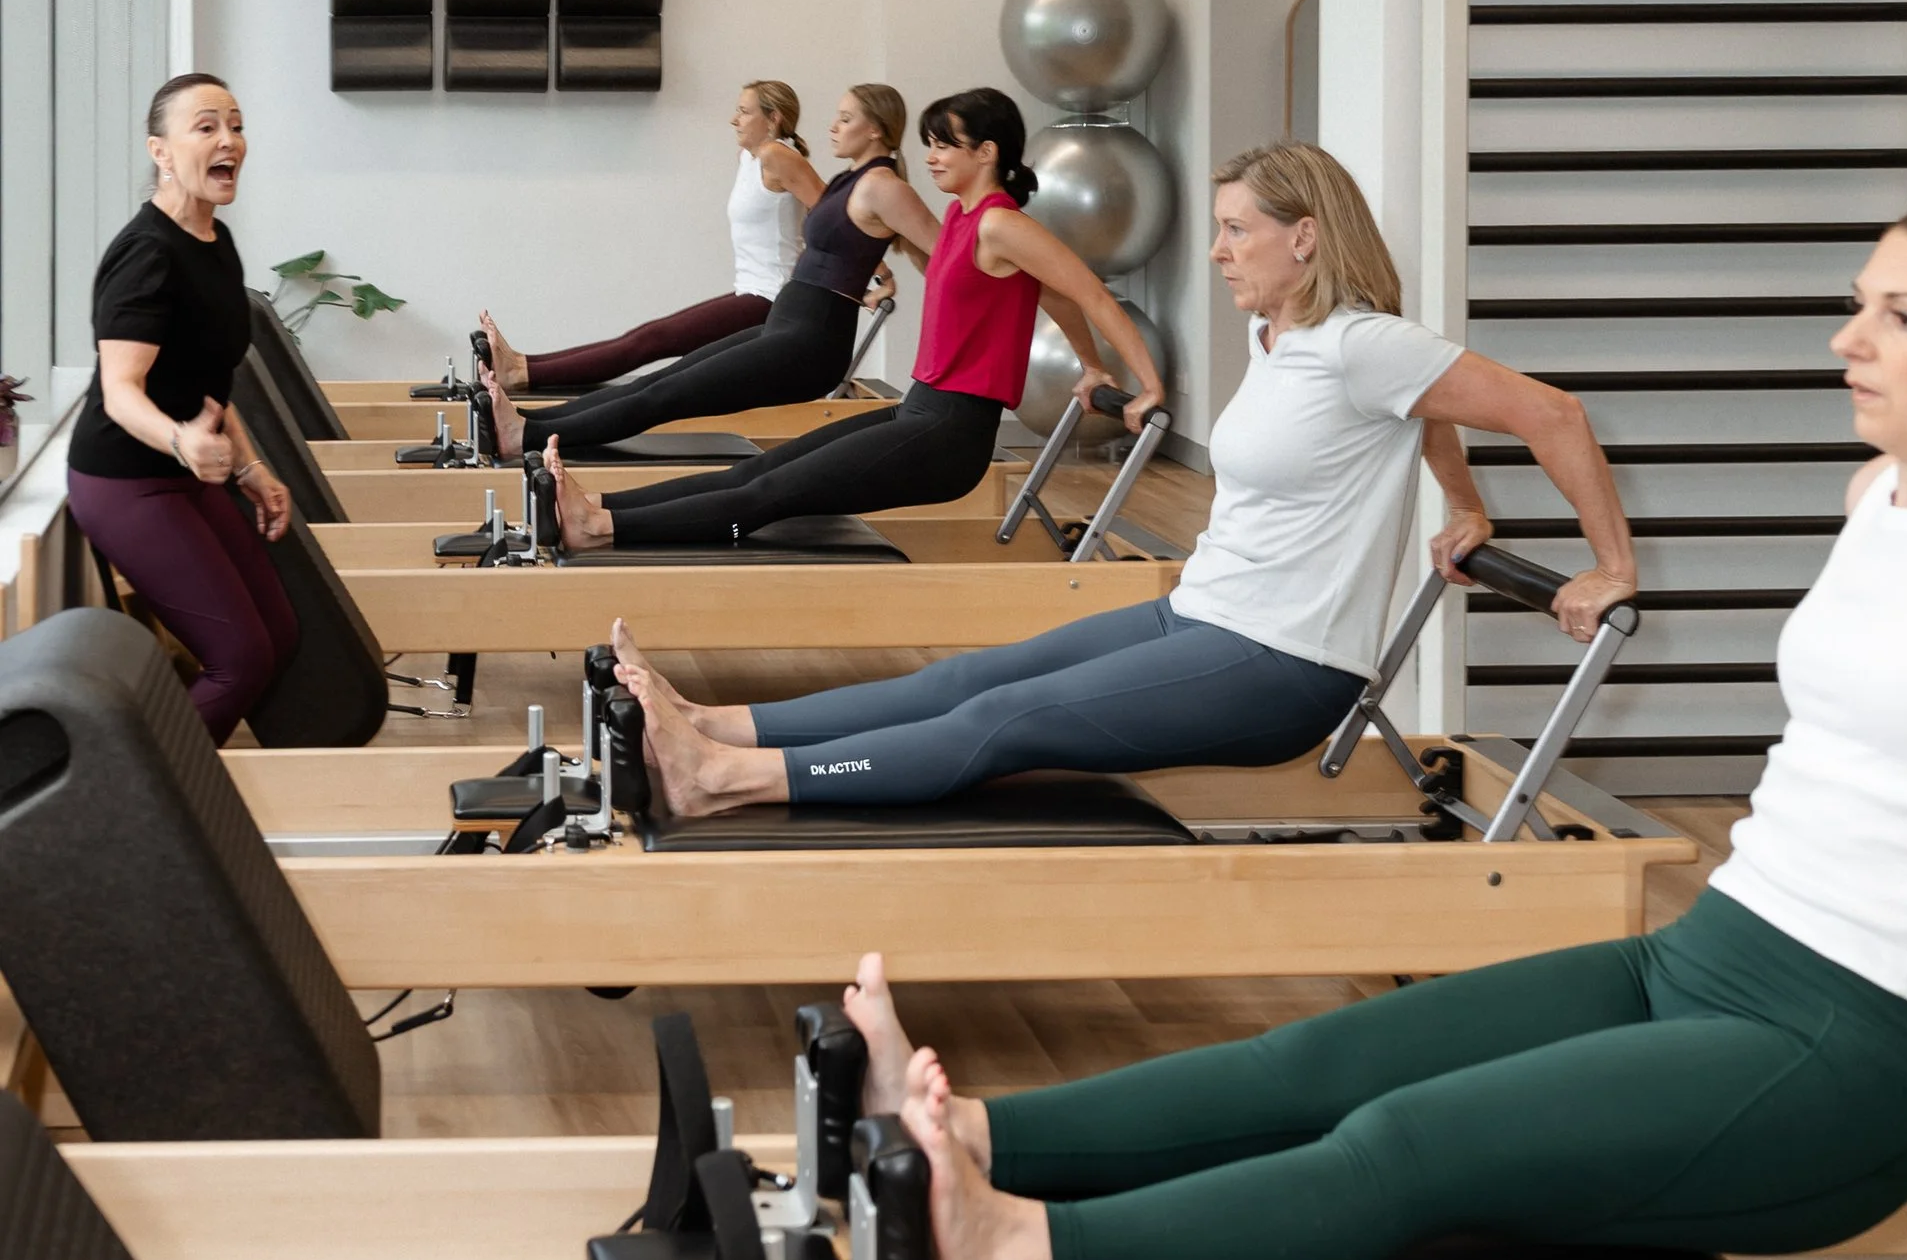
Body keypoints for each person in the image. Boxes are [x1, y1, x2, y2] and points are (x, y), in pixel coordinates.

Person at [817, 197, 1907, 1260]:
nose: (1851, 338)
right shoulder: (1889, 504)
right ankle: (967, 1149)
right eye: (1860, 304)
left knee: (1405, 1146)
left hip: (1848, 1054)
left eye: (1899, 316)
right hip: (1713, 954)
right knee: (1318, 1061)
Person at [612, 138, 1637, 814]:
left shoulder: (1362, 341)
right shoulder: (1283, 339)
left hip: (1280, 661)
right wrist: (1462, 503)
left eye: (1238, 230)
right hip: (1201, 613)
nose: (1221, 252)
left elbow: (1552, 413)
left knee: (998, 725)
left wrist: (1608, 569)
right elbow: (1432, 413)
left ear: (1305, 237)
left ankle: (729, 780)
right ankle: (713, 723)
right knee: (966, 677)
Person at [542, 85, 1163, 553]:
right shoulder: (963, 225)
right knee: (757, 469)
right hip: (921, 409)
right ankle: (598, 505)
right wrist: (1089, 365)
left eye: (946, 144)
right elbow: (1050, 298)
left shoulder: (1003, 223)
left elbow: (1090, 293)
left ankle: (598, 528)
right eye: (931, 142)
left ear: (988, 151)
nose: (932, 155)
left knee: (767, 496)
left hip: (950, 434)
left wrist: (1147, 385)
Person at [487, 83, 917, 458]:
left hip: (793, 321)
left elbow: (904, 240)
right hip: (786, 316)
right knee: (660, 375)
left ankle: (527, 423)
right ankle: (529, 418)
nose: (833, 126)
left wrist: (881, 274)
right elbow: (846, 230)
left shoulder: (848, 175)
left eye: (845, 118)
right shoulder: (840, 177)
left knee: (661, 380)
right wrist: (880, 273)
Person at [64, 73, 299, 745]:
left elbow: (209, 385)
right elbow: (121, 391)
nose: (229, 140)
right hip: (124, 481)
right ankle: (134, 799)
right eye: (205, 127)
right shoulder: (147, 255)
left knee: (277, 635)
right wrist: (182, 444)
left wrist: (253, 470)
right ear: (160, 152)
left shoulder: (214, 244)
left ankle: (195, 785)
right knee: (242, 658)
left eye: (236, 124)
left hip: (184, 472)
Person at [479, 77, 816, 403]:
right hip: (752, 291)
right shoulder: (750, 158)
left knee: (651, 341)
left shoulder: (778, 156)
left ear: (773, 118)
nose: (733, 119)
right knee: (645, 336)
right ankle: (524, 364)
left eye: (744, 111)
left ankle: (522, 372)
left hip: (773, 300)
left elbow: (836, 216)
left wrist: (861, 275)